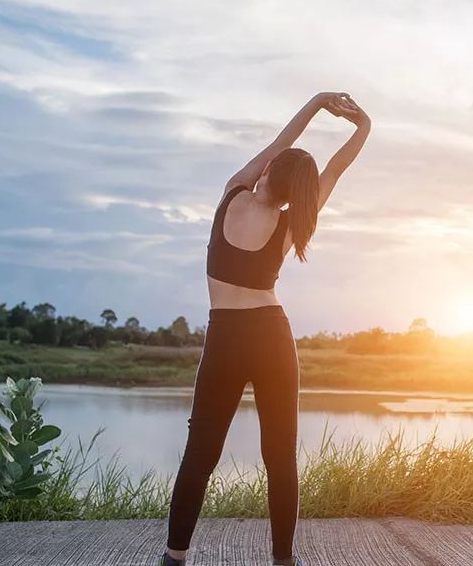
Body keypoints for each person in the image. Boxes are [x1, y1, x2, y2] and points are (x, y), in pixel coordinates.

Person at [158, 92, 371, 566]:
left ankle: (174, 558)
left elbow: (282, 141)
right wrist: (363, 129)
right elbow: (331, 172)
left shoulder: (233, 192)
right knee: (280, 457)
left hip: (226, 337)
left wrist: (318, 104)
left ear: (270, 171)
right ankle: (282, 561)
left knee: (200, 454)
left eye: (273, 165)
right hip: (272, 336)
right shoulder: (292, 223)